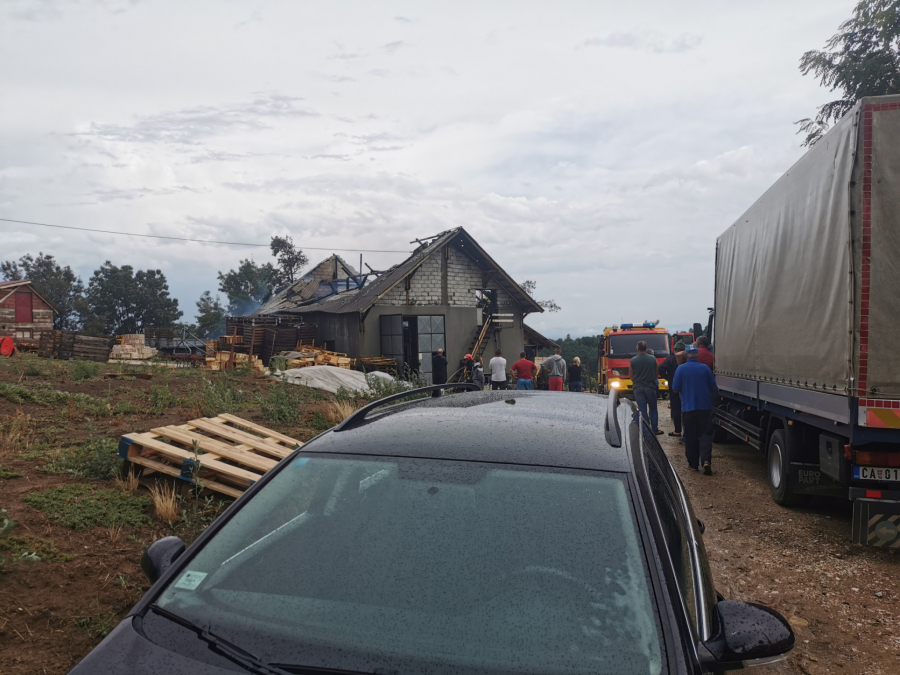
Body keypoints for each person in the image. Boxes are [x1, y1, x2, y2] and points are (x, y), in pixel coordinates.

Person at [672, 344, 718, 474]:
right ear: (697, 355)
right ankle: (706, 460)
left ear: (687, 355)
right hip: (705, 407)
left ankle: (693, 464)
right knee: (705, 434)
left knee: (691, 436)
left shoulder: (680, 369)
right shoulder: (705, 369)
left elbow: (675, 388)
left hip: (688, 408)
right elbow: (714, 387)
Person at [629, 341, 662, 435]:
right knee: (653, 408)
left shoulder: (632, 360)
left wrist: (637, 381)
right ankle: (655, 429)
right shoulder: (653, 359)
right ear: (646, 348)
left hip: (638, 387)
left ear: (637, 348)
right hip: (650, 386)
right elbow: (656, 373)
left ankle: (646, 430)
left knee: (642, 409)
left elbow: (631, 375)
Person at [659, 342, 685, 437]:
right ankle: (687, 431)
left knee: (676, 408)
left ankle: (677, 431)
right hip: (686, 387)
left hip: (674, 387)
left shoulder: (671, 359)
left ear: (675, 349)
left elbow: (660, 367)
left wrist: (668, 377)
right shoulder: (687, 359)